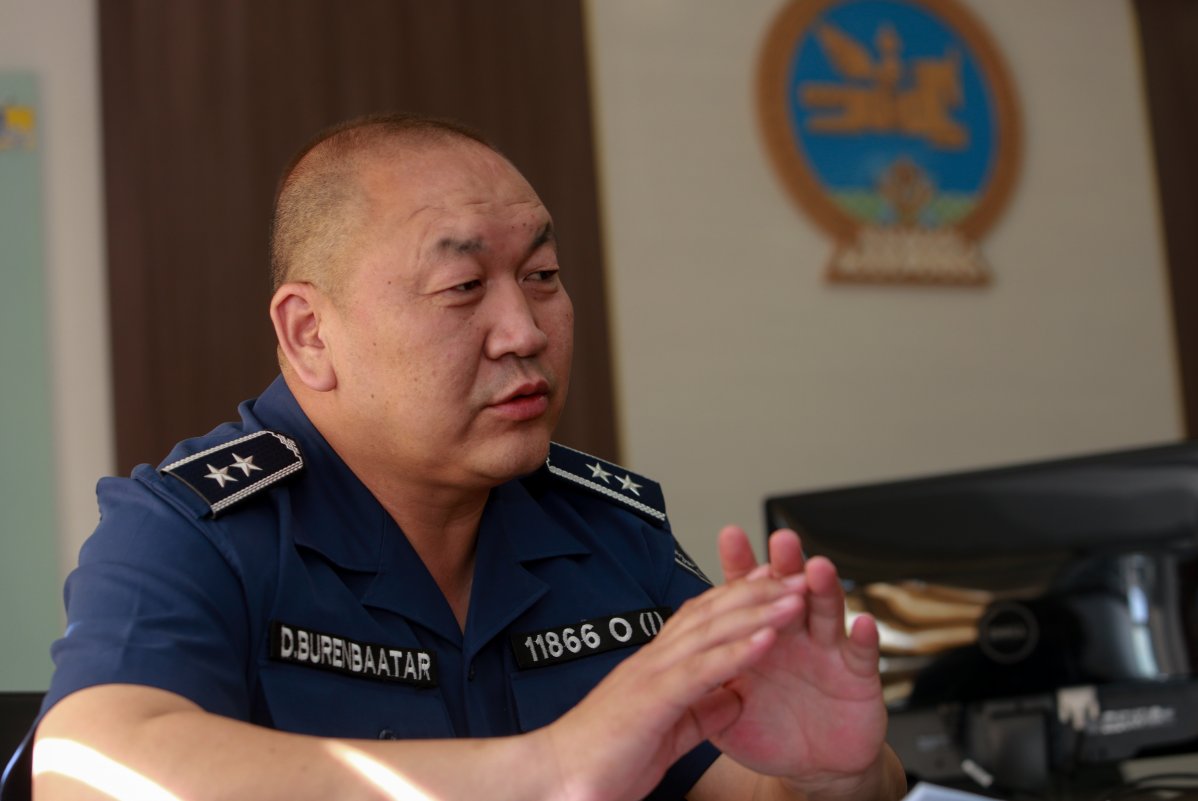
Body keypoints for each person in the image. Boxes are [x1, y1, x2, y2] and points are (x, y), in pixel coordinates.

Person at [5, 112, 906, 801]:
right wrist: (549, 768)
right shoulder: (198, 528)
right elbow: (87, 765)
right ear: (310, 333)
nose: (524, 331)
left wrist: (831, 774)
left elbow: (736, 784)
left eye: (542, 278)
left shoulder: (605, 527)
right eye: (463, 287)